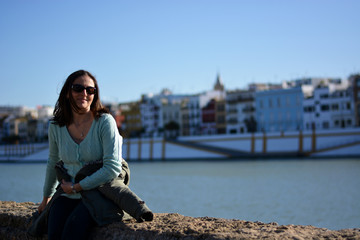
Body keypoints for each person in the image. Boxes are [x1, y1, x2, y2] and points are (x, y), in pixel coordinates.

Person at [35, 70, 152, 240]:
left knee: (72, 232)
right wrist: (46, 198)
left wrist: (78, 187)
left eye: (90, 90)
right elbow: (53, 161)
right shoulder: (56, 126)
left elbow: (112, 168)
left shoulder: (105, 122)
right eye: (78, 88)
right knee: (53, 232)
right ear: (68, 93)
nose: (84, 93)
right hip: (68, 193)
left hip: (98, 192)